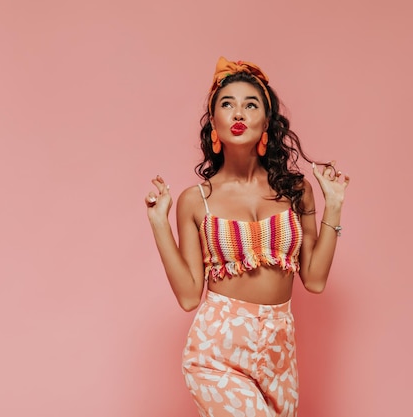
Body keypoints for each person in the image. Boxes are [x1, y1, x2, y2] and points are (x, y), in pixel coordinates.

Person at [145, 57, 349, 417]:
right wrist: (159, 222)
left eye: (250, 104)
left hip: (279, 354)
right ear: (215, 125)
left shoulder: (296, 191)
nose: (238, 113)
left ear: (266, 124)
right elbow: (190, 296)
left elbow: (315, 280)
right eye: (228, 104)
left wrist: (334, 205)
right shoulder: (196, 200)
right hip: (217, 351)